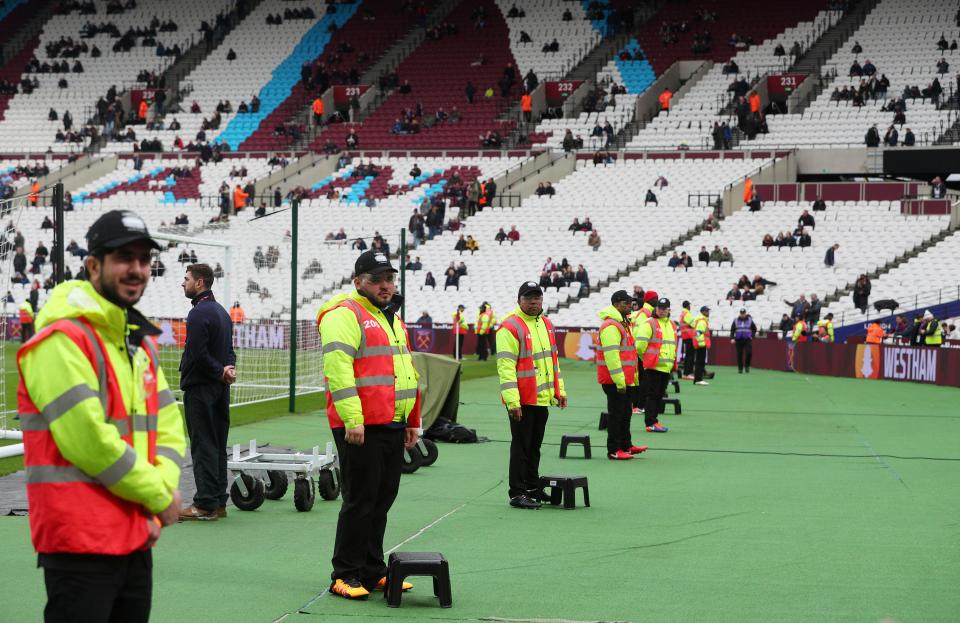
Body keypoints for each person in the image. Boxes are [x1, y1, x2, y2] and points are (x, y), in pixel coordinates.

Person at [19, 210, 184, 622]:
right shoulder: (61, 339)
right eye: (123, 257)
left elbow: (168, 425)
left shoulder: (136, 342)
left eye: (144, 259)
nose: (137, 269)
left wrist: (158, 488)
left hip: (134, 534)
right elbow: (88, 440)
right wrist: (160, 494)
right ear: (93, 265)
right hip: (80, 542)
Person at [316, 250, 421, 599]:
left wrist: (412, 419)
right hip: (360, 425)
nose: (385, 285)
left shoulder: (391, 318)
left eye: (389, 278)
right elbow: (338, 371)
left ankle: (373, 569)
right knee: (360, 500)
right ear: (358, 281)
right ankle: (344, 574)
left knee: (382, 500)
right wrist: (353, 419)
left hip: (391, 421)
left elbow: (405, 371)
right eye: (377, 279)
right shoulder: (345, 315)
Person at [497, 281, 567, 509]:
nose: (534, 302)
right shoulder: (510, 327)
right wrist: (512, 401)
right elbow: (506, 367)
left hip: (541, 397)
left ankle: (532, 487)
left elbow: (553, 362)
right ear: (519, 301)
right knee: (521, 446)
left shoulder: (546, 324)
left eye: (537, 298)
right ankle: (517, 492)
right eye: (529, 298)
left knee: (534, 445)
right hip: (522, 400)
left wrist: (560, 390)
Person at [178, 264, 236, 521]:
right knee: (218, 443)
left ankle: (204, 504)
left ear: (199, 283)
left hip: (201, 386)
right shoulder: (222, 312)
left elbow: (197, 354)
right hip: (220, 388)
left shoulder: (199, 313)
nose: (183, 283)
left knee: (203, 445)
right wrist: (227, 370)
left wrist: (218, 371)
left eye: (187, 279)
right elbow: (229, 351)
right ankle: (219, 502)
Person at [596, 291, 647, 460]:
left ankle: (626, 445)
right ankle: (614, 450)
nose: (630, 306)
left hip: (624, 380)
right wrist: (620, 382)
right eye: (626, 303)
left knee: (625, 414)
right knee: (617, 415)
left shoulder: (623, 323)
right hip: (616, 381)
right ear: (616, 304)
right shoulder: (612, 326)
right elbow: (612, 356)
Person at [634, 298, 677, 432]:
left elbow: (672, 346)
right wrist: (647, 359)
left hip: (665, 367)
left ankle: (654, 421)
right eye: (659, 308)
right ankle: (650, 423)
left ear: (669, 309)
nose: (661, 311)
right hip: (653, 367)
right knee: (652, 396)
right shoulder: (649, 323)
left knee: (658, 396)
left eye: (664, 308)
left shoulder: (671, 325)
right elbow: (640, 346)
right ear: (656, 308)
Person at [730, 307, 757, 373]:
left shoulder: (750, 320)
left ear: (745, 313)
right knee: (739, 354)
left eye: (743, 313)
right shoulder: (736, 320)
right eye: (741, 313)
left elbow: (754, 329)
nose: (742, 315)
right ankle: (740, 368)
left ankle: (747, 366)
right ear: (740, 313)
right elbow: (732, 330)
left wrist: (752, 336)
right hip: (738, 339)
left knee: (749, 353)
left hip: (747, 339)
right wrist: (732, 338)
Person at [691, 306, 711, 385]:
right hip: (701, 345)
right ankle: (698, 379)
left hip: (701, 344)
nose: (708, 313)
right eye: (707, 311)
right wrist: (701, 343)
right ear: (703, 312)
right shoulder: (702, 321)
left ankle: (698, 379)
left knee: (700, 362)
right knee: (700, 362)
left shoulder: (702, 320)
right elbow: (698, 333)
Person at [679, 300, 697, 380]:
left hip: (686, 336)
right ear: (687, 306)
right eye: (689, 305)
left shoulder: (683, 313)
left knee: (688, 356)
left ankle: (686, 373)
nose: (690, 307)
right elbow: (692, 324)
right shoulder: (687, 313)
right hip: (689, 336)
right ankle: (687, 373)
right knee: (690, 356)